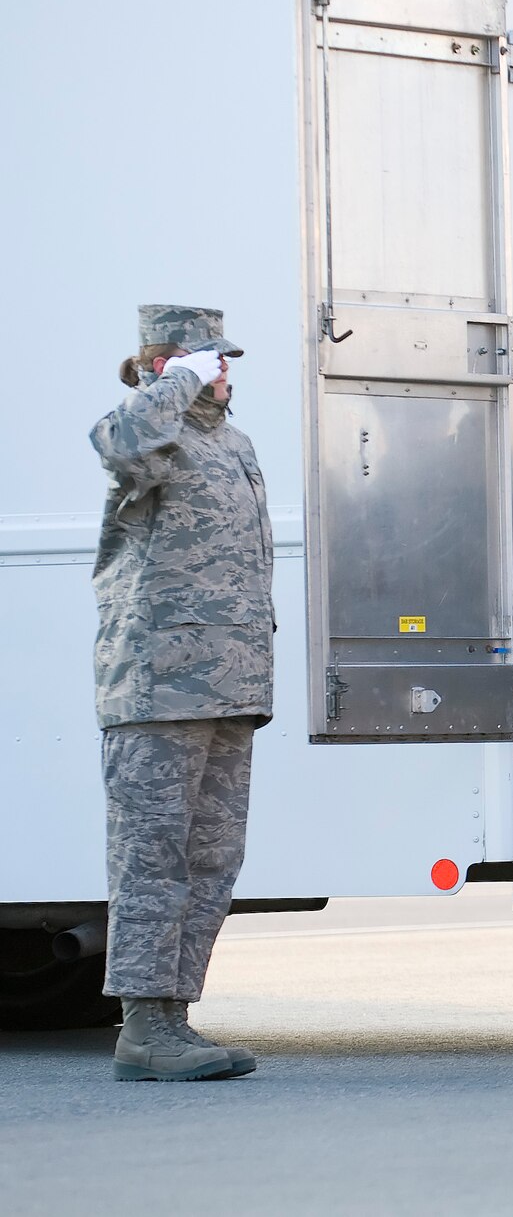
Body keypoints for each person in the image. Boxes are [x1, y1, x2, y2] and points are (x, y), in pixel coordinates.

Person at [92, 304, 273, 1082]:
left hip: (229, 688)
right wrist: (168, 385)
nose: (223, 371)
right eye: (208, 360)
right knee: (151, 856)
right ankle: (142, 1023)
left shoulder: (232, 444)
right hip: (159, 687)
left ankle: (175, 1016)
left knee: (209, 860)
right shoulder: (151, 438)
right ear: (167, 364)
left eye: (224, 360)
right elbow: (120, 440)